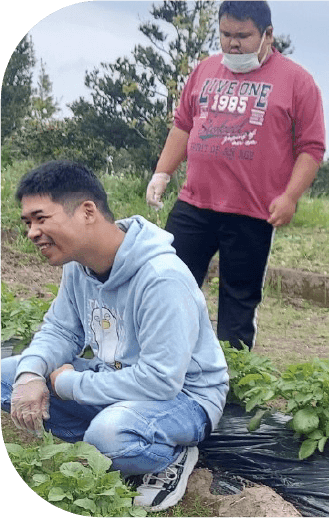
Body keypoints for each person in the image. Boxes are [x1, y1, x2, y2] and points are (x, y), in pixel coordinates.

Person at [1, 160, 230, 511]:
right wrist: (32, 373)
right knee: (9, 376)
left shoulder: (160, 277)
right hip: (117, 380)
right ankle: (111, 441)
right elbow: (60, 330)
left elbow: (161, 381)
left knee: (108, 435)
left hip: (185, 398)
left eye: (41, 218)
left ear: (87, 211)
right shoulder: (79, 266)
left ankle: (169, 456)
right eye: (27, 222)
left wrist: (69, 386)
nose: (32, 232)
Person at [145, 0, 326, 350]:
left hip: (252, 211)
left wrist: (290, 197)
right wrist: (162, 173)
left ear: (267, 35)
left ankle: (233, 386)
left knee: (238, 301)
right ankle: (162, 358)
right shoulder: (205, 70)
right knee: (167, 281)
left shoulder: (296, 82)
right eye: (226, 34)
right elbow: (183, 125)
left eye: (243, 36)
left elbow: (312, 147)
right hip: (195, 203)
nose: (233, 44)